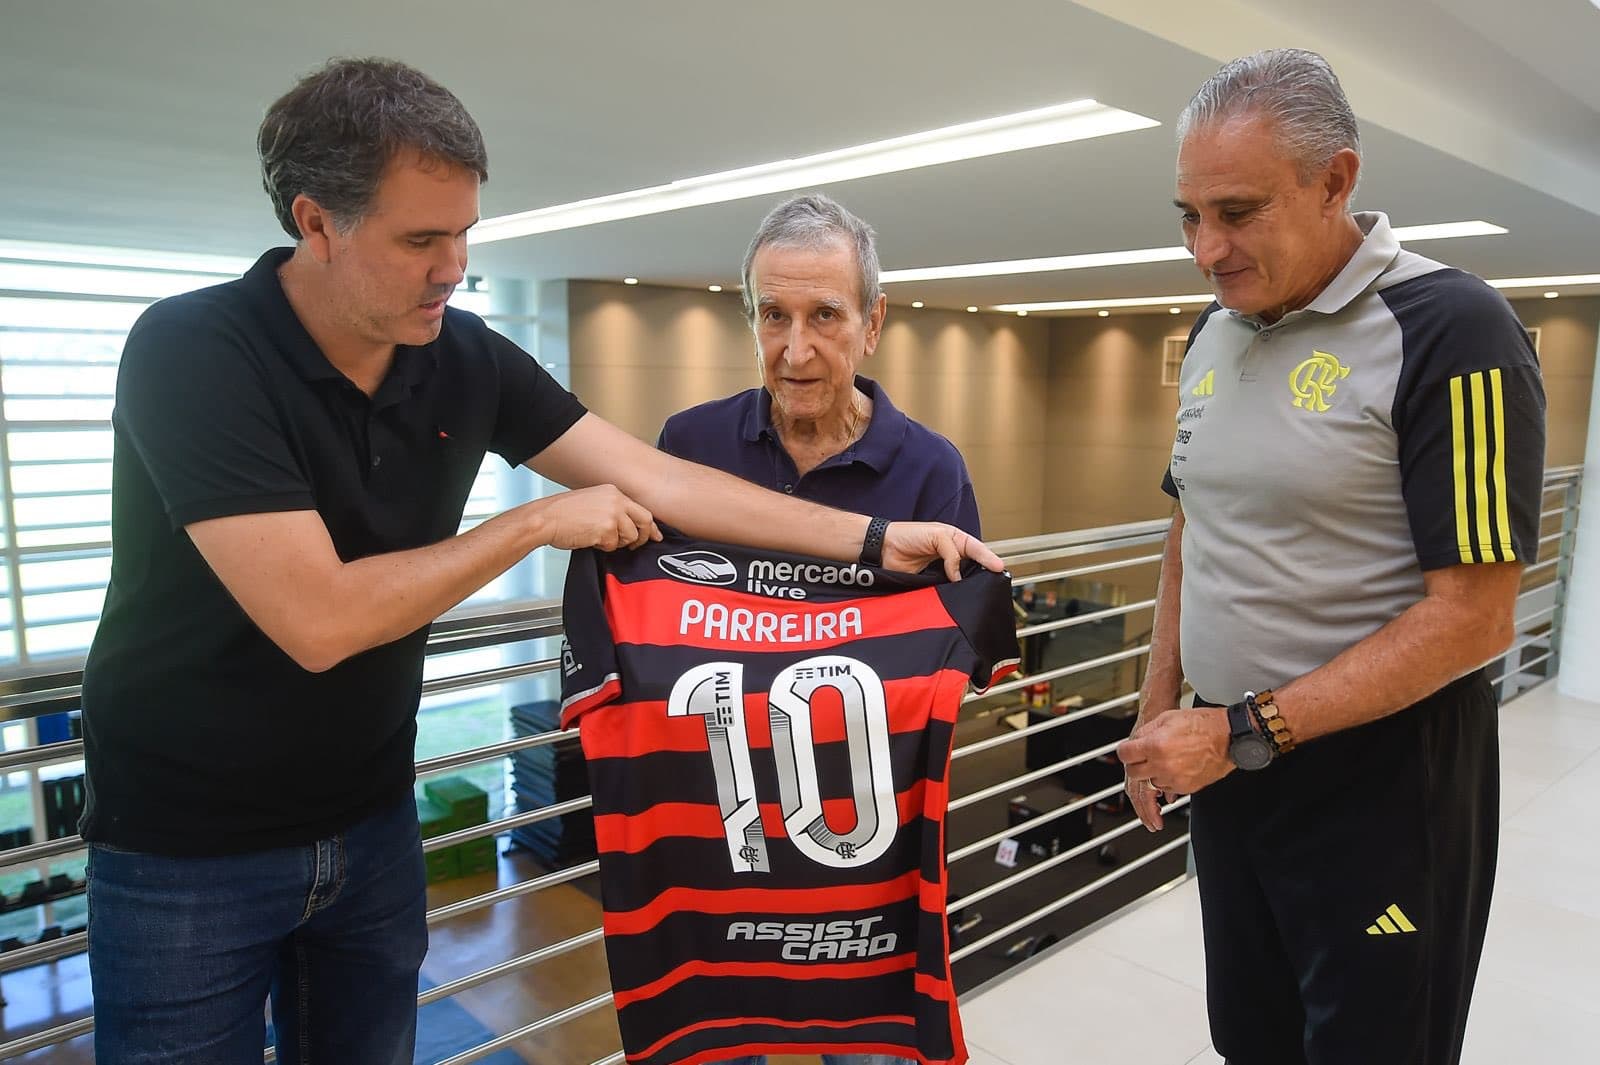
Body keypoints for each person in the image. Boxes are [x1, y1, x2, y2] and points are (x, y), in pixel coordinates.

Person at [78, 59, 998, 1065]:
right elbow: (318, 620)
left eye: (465, 233)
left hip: (369, 816)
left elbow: (662, 482)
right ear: (316, 221)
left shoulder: (461, 355)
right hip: (187, 847)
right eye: (421, 240)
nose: (453, 266)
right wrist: (528, 527)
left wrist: (872, 540)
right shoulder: (193, 351)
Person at [1116, 48, 1545, 1065]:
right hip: (1230, 764)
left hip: (1383, 779)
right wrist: (1158, 700)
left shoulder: (1453, 327)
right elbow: (1194, 525)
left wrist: (1244, 731)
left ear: (1335, 181)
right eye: (1187, 214)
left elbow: (1476, 616)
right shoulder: (1215, 331)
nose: (1204, 248)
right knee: (1252, 1036)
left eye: (1237, 210)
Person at [659, 192, 978, 1065]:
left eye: (825, 316)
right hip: (718, 814)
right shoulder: (685, 446)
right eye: (773, 314)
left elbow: (965, 655)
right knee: (717, 1039)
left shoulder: (930, 468)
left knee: (870, 1050)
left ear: (872, 323)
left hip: (864, 834)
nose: (795, 349)